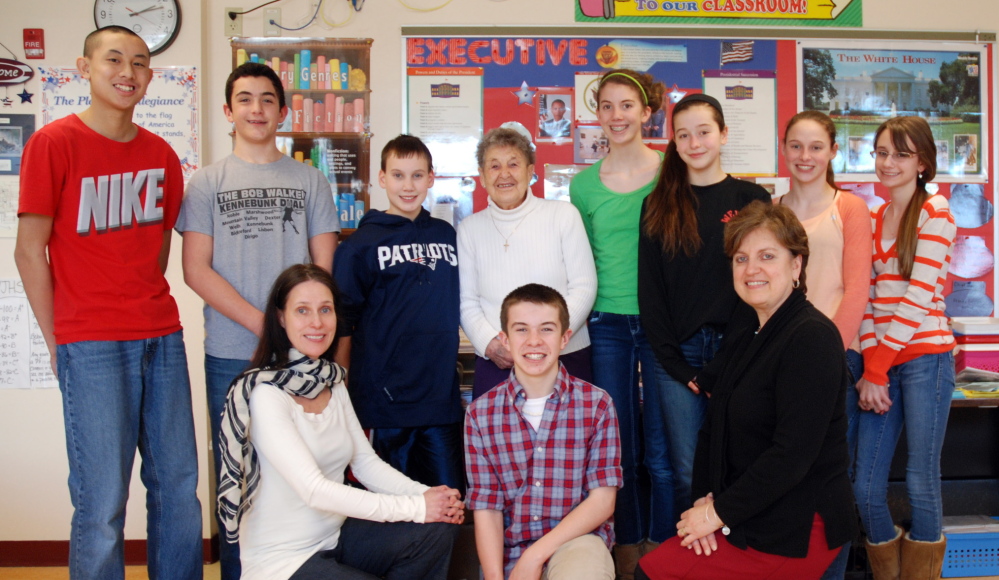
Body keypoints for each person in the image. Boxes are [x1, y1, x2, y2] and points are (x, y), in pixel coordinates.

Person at [14, 26, 202, 579]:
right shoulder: (53, 144)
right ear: (84, 67)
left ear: (150, 76)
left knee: (178, 488)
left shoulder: (161, 154)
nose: (128, 71)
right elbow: (29, 254)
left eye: (140, 62)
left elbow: (157, 249)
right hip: (90, 343)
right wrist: (59, 342)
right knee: (101, 503)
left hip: (161, 336)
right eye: (114, 59)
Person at [176, 61, 340, 579]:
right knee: (238, 482)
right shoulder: (205, 183)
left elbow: (321, 273)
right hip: (230, 354)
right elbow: (195, 271)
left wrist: (292, 332)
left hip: (298, 359)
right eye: (245, 99)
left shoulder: (311, 180)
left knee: (299, 478)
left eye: (267, 99)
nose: (256, 109)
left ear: (283, 111)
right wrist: (262, 324)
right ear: (228, 111)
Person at [636, 201, 857, 580]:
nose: (751, 269)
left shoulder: (812, 337)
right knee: (654, 568)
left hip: (799, 523)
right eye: (741, 258)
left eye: (767, 256)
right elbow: (712, 431)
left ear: (796, 266)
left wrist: (717, 514)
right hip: (750, 508)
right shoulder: (746, 334)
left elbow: (790, 457)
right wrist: (705, 500)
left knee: (654, 574)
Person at [218, 263, 463, 580]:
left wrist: (428, 499)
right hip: (282, 561)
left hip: (335, 537)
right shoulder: (266, 395)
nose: (316, 322)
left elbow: (364, 463)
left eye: (325, 309)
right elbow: (314, 490)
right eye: (302, 310)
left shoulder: (331, 380)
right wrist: (415, 508)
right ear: (280, 317)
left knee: (437, 530)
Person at [638, 93, 770, 522]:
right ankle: (692, 559)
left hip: (739, 351)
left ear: (723, 135)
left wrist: (728, 357)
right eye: (683, 135)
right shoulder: (657, 204)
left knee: (742, 463)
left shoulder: (752, 199)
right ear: (673, 144)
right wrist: (681, 369)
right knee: (687, 470)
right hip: (678, 359)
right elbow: (652, 295)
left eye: (704, 132)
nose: (694, 143)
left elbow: (760, 285)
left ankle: (737, 561)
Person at [569, 68, 668, 578]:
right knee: (618, 449)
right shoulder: (584, 186)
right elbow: (582, 263)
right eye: (606, 106)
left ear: (646, 111)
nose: (616, 115)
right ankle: (626, 549)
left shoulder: (672, 171)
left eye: (626, 105)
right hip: (606, 323)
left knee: (662, 447)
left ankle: (665, 548)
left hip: (662, 324)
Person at [853, 116, 956, 580]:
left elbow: (917, 300)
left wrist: (877, 368)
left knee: (920, 481)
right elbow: (869, 300)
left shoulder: (938, 214)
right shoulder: (873, 217)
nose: (888, 162)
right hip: (884, 364)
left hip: (926, 361)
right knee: (865, 488)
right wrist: (874, 366)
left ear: (923, 162)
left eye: (901, 153)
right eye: (881, 152)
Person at [332, 134, 463, 491]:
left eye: (418, 175)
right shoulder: (360, 246)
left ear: (432, 178)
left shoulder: (447, 235)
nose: (408, 186)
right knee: (387, 508)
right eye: (399, 175)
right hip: (382, 403)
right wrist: (340, 383)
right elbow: (343, 318)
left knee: (448, 503)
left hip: (439, 402)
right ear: (382, 178)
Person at [464, 283, 622, 580]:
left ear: (565, 338)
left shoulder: (597, 404)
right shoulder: (480, 414)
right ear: (504, 339)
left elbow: (602, 501)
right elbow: (487, 508)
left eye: (546, 330)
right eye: (521, 330)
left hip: (578, 543)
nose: (534, 341)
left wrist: (535, 556)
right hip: (510, 551)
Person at [778, 110, 872, 580]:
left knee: (831, 481)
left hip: (836, 358)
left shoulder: (849, 208)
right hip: (782, 363)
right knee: (789, 476)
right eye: (796, 145)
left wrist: (826, 357)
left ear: (833, 151)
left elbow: (856, 290)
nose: (805, 156)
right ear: (784, 149)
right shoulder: (774, 209)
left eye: (816, 147)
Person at [458, 127, 597, 398]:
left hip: (565, 357)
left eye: (513, 164)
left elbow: (584, 286)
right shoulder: (469, 229)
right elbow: (467, 302)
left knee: (570, 439)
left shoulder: (563, 215)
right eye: (494, 166)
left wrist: (548, 340)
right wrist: (491, 344)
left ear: (530, 171)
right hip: (499, 359)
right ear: (483, 176)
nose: (504, 174)